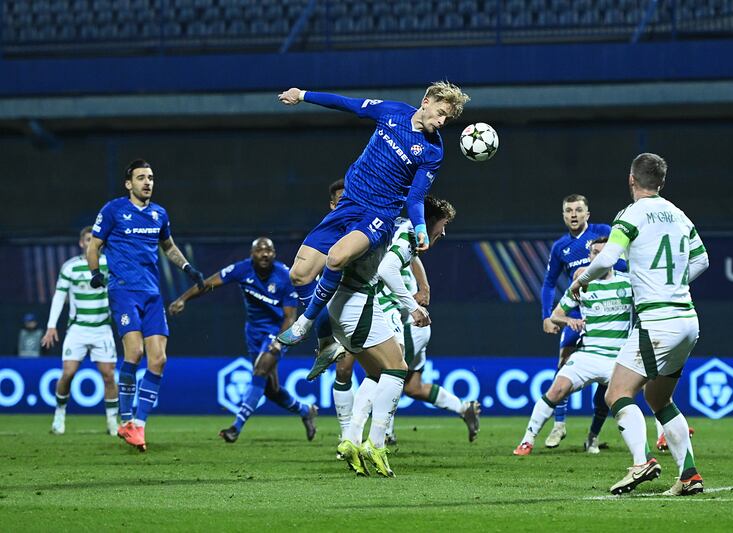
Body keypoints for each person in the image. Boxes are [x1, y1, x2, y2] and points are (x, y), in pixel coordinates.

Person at [275, 82, 470, 348]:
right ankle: (327, 338)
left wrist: (421, 228)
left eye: (447, 118)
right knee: (299, 275)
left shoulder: (433, 150)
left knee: (336, 257)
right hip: (349, 204)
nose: (442, 121)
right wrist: (302, 95)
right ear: (426, 102)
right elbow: (348, 104)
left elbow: (414, 198)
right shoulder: (392, 111)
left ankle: (304, 323)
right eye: (440, 113)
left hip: (378, 215)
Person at [570, 153, 709, 496]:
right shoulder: (679, 214)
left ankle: (641, 461)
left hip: (658, 321)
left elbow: (607, 257)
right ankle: (689, 475)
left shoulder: (631, 214)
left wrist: (581, 280)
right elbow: (702, 260)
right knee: (659, 399)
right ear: (661, 182)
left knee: (616, 392)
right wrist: (672, 285)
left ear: (631, 179)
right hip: (687, 320)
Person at [88, 159, 205, 452]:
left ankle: (138, 425)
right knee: (135, 352)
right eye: (141, 177)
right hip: (124, 291)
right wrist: (95, 273)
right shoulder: (113, 210)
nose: (147, 182)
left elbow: (169, 247)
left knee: (159, 360)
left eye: (150, 177)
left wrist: (188, 268)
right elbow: (94, 245)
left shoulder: (159, 214)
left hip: (152, 294)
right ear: (129, 184)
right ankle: (125, 419)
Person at [168, 237, 318, 443]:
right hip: (253, 333)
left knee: (260, 371)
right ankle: (305, 411)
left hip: (277, 331)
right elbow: (209, 283)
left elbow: (290, 317)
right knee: (271, 390)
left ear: (274, 254)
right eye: (260, 250)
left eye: (269, 250)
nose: (264, 254)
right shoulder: (242, 269)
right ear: (252, 254)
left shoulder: (285, 276)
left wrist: (279, 342)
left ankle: (236, 427)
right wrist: (183, 299)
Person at [376, 197, 480, 444]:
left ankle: (385, 433)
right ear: (429, 220)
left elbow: (404, 261)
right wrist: (423, 287)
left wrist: (423, 289)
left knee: (388, 373)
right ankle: (463, 408)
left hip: (408, 322)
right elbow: (411, 257)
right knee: (413, 386)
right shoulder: (401, 230)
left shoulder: (402, 231)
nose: (443, 232)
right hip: (412, 322)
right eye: (443, 225)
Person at [514, 237, 632, 455]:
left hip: (618, 359)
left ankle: (595, 439)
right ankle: (527, 440)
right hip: (588, 354)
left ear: (613, 257)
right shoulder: (581, 285)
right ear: (589, 257)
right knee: (557, 390)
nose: (599, 257)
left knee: (620, 401)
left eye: (604, 253)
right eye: (595, 253)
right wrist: (569, 320)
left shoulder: (629, 282)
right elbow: (556, 315)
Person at [540, 194, 626, 452]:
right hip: (577, 312)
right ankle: (559, 425)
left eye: (578, 210)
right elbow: (549, 283)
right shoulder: (561, 247)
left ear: (587, 213)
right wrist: (546, 315)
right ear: (563, 215)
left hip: (608, 310)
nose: (574, 214)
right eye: (569, 211)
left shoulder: (603, 232)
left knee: (609, 382)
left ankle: (594, 434)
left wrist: (592, 269)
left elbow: (622, 263)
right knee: (563, 364)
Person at [41, 226, 118, 436]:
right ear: (81, 243)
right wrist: (51, 326)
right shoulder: (70, 267)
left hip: (102, 329)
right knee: (68, 373)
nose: (91, 242)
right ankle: (59, 416)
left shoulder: (109, 264)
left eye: (95, 239)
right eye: (87, 239)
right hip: (77, 330)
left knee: (109, 375)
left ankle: (112, 423)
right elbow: (59, 297)